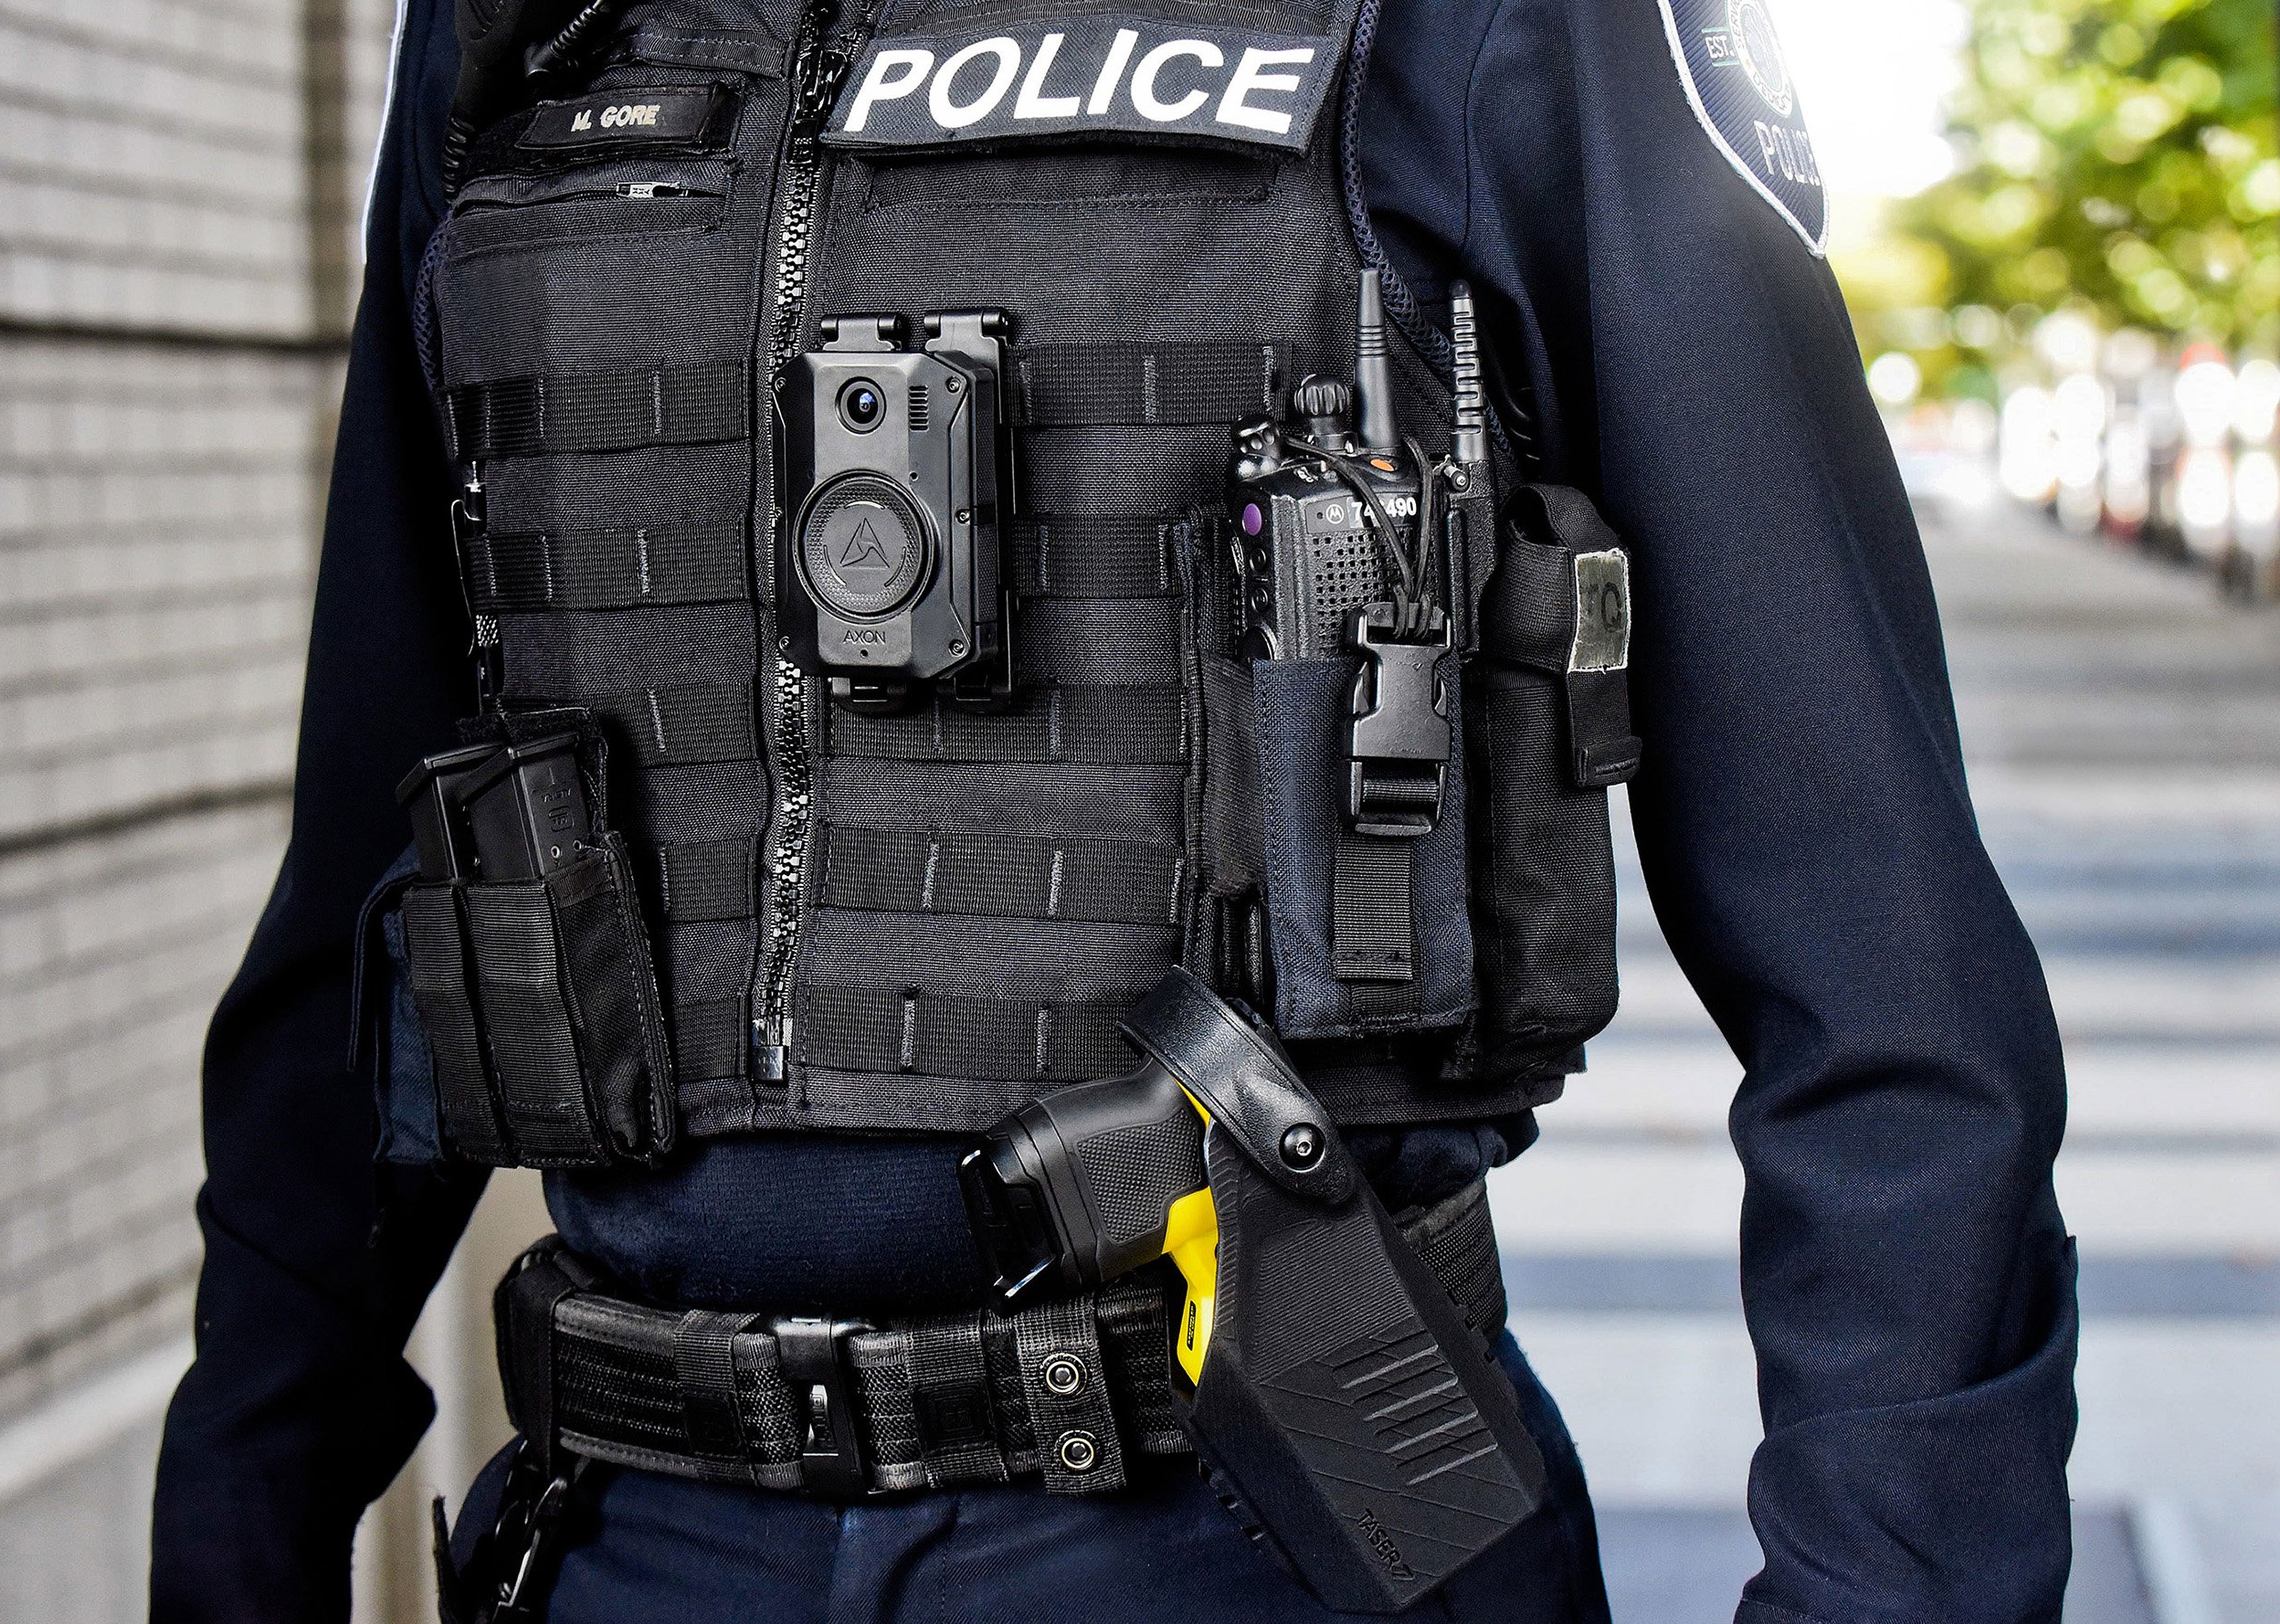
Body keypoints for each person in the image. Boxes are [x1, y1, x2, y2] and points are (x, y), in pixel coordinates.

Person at [150, 0, 2078, 1619]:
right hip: (635, 1528)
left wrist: (1888, 1582)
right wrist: (236, 1523)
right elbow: (369, 884)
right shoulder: (526, 23)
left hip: (1271, 1512)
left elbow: (1885, 972)